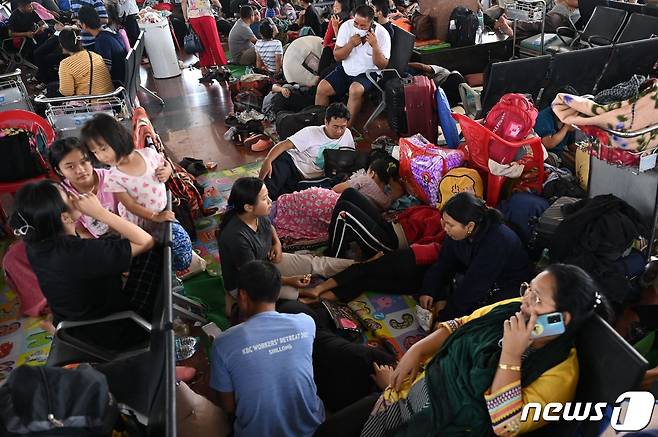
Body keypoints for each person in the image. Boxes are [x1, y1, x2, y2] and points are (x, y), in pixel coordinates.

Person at [353, 264, 612, 436]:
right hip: (417, 386)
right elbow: (462, 325)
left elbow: (506, 424)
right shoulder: (513, 308)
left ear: (561, 319)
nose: (524, 301)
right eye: (528, 290)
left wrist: (510, 356)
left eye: (537, 299)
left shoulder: (560, 374)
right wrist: (417, 350)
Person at [10, 180, 160, 326]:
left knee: (123, 245)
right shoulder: (79, 252)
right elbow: (146, 241)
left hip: (74, 331)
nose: (75, 196)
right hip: (118, 328)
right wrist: (101, 213)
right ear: (65, 217)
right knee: (154, 249)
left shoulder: (36, 246)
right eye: (69, 195)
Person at [210, 260, 325, 437]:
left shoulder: (223, 344)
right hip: (313, 428)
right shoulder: (305, 323)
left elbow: (229, 406)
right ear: (278, 292)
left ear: (242, 296)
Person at [216, 177, 355, 313]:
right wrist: (289, 281)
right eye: (264, 199)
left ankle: (358, 264)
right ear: (248, 207)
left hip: (267, 263)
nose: (270, 201)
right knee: (286, 295)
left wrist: (277, 244)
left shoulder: (259, 214)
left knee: (313, 263)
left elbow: (270, 227)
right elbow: (254, 276)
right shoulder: (236, 237)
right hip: (250, 281)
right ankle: (235, 300)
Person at [80, 114, 195, 272]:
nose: (101, 155)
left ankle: (170, 272)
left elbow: (166, 163)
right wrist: (154, 217)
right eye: (95, 152)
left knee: (181, 251)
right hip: (139, 223)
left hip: (162, 214)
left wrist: (167, 171)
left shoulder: (148, 154)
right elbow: (130, 204)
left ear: (118, 138)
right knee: (149, 257)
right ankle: (159, 275)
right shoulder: (113, 177)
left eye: (103, 148)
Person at [418, 192, 531, 321]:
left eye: (450, 225)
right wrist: (429, 290)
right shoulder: (457, 233)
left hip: (506, 288)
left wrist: (444, 319)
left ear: (470, 226)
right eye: (444, 223)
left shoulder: (496, 242)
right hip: (477, 277)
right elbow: (444, 262)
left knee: (478, 319)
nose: (445, 229)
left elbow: (472, 288)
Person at [272, 156, 404, 243]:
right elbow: (399, 190)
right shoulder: (387, 201)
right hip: (342, 215)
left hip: (328, 200)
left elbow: (336, 189)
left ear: (372, 173)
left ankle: (270, 211)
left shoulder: (365, 180)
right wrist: (394, 180)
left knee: (290, 202)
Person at [258, 102, 355, 201]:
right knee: (268, 192)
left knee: (287, 200)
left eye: (343, 127)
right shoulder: (310, 132)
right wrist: (268, 160)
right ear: (326, 122)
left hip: (315, 179)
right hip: (293, 166)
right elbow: (283, 145)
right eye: (335, 126)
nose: (339, 131)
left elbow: (351, 157)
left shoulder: (347, 134)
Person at [315, 5, 391, 127]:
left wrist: (375, 46)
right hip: (347, 68)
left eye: (363, 26)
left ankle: (346, 129)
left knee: (355, 89)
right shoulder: (347, 27)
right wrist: (350, 44)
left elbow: (382, 65)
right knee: (322, 88)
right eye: (356, 23)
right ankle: (322, 125)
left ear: (371, 23)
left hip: (369, 72)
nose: (358, 27)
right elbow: (337, 56)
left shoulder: (382, 34)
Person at [48, 137, 118, 239]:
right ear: (59, 171)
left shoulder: (113, 178)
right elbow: (80, 230)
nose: (80, 170)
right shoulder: (64, 196)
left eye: (84, 162)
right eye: (70, 166)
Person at [56, 27, 115, 97]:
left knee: (52, 89)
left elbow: (67, 93)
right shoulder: (95, 56)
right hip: (111, 99)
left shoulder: (66, 64)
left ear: (62, 44)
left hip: (90, 104)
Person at [78, 6, 127, 84]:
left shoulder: (102, 41)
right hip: (124, 78)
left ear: (83, 25)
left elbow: (105, 71)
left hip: (116, 84)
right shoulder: (110, 33)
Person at [182, 0, 229, 82]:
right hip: (206, 15)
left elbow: (183, 2)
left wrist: (185, 17)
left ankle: (204, 67)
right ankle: (220, 66)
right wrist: (219, 6)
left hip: (193, 17)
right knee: (214, 42)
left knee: (201, 43)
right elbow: (215, 1)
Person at [319, 0, 351, 78]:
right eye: (334, 7)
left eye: (336, 8)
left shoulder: (339, 22)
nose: (334, 10)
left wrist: (335, 28)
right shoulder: (351, 19)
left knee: (327, 50)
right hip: (342, 53)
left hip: (345, 55)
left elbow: (328, 42)